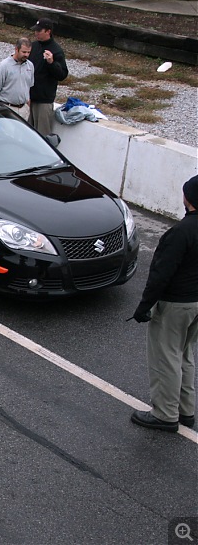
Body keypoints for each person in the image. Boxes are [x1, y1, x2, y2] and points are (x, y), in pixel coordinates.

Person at [131, 175, 198, 432]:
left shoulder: (181, 232)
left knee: (166, 357)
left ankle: (165, 414)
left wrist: (144, 305)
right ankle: (185, 410)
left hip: (175, 305)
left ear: (187, 198)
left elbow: (161, 273)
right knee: (184, 354)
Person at [28, 17, 68, 136]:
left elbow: (62, 75)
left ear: (48, 31)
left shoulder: (56, 51)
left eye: (39, 31)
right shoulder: (33, 46)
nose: (36, 33)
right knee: (26, 134)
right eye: (35, 30)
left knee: (42, 136)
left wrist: (52, 63)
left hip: (44, 101)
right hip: (29, 98)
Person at [0, 38, 34, 120]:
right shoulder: (4, 65)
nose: (26, 55)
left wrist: (27, 105)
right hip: (7, 108)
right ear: (16, 49)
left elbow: (29, 87)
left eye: (28, 52)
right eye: (24, 52)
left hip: (24, 109)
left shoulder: (30, 66)